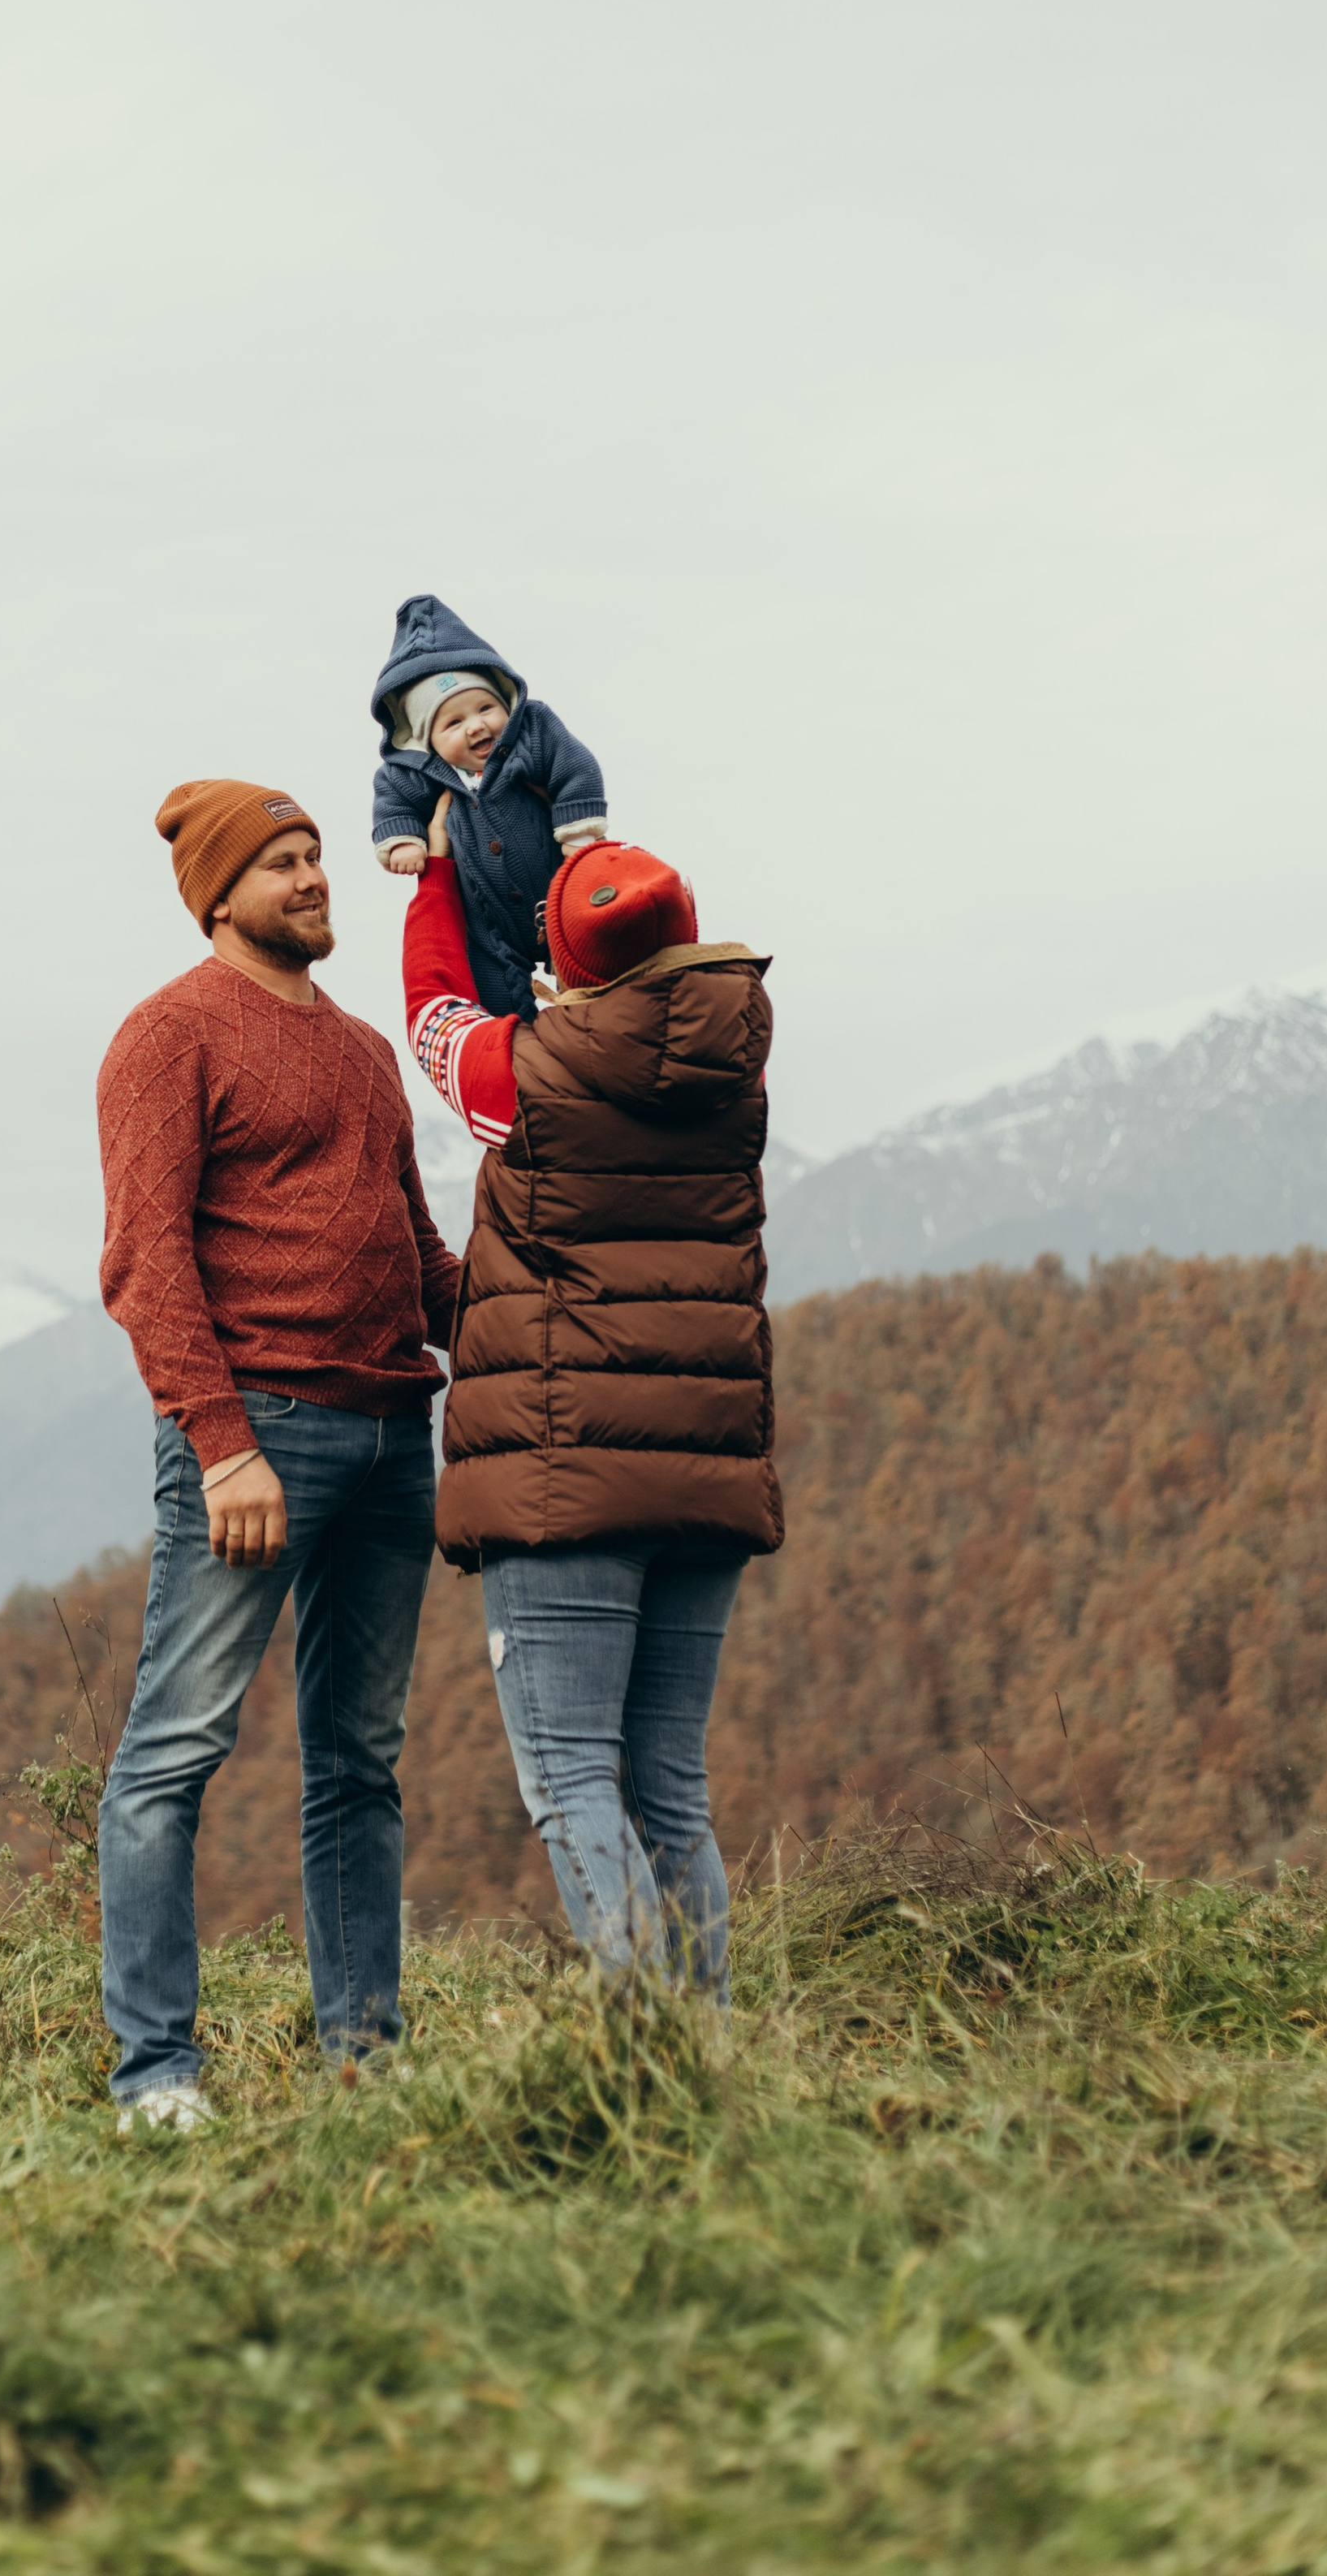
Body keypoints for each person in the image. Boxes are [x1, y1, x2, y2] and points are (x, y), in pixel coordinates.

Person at [95, 778, 459, 2129]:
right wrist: (221, 1444)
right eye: (282, 863)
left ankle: (363, 2057)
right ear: (219, 895)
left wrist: (539, 1286)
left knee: (359, 1763)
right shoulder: (168, 1037)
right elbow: (148, 1260)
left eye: (315, 856)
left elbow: (419, 1260)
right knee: (173, 1755)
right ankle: (158, 2075)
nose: (313, 878)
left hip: (390, 1437)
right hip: (263, 1438)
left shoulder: (366, 1054)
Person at [403, 794, 782, 2004]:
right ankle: (709, 2044)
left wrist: (431, 877)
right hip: (705, 1472)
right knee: (671, 1784)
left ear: (568, 970)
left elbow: (432, 1022)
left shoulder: (530, 1076)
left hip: (566, 1476)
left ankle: (647, 2056)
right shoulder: (734, 1077)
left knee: (569, 1773)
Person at [370, 591, 607, 1021]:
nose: (477, 725)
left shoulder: (533, 733)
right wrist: (403, 840)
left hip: (560, 889)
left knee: (592, 959)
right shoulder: (423, 775)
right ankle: (516, 1036)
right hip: (488, 919)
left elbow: (575, 769)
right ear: (427, 743)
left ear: (505, 702)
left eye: (485, 707)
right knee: (493, 990)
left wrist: (579, 834)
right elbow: (393, 799)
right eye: (454, 722)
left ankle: (589, 1021)